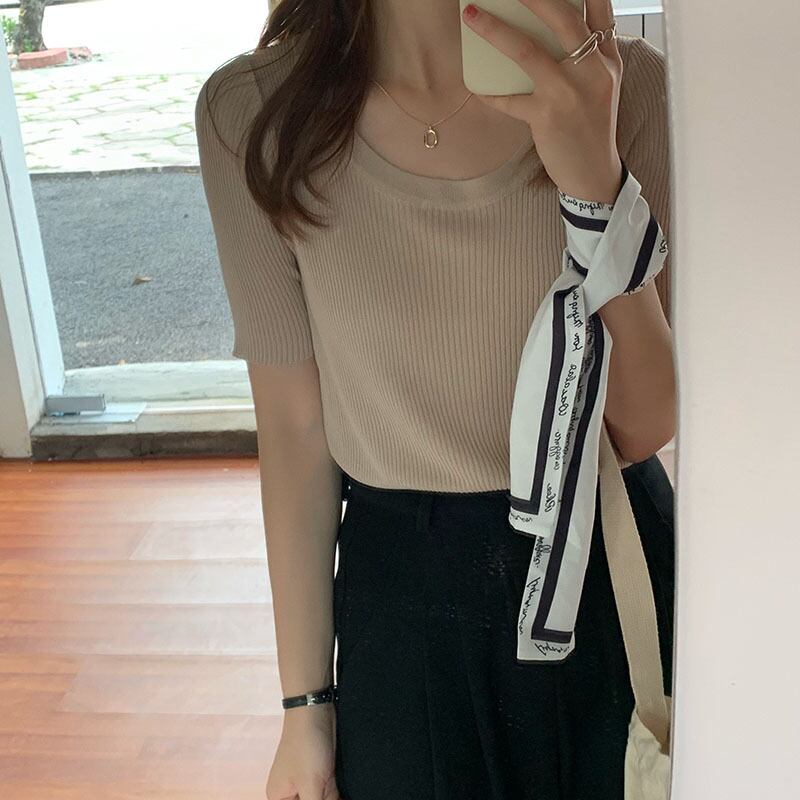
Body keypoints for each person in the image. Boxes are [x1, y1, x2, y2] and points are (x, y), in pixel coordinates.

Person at [195, 1, 676, 798]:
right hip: (400, 595)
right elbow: (294, 427)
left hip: (607, 560)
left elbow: (644, 424)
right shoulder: (252, 113)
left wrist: (594, 180)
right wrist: (305, 708)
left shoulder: (626, 86)